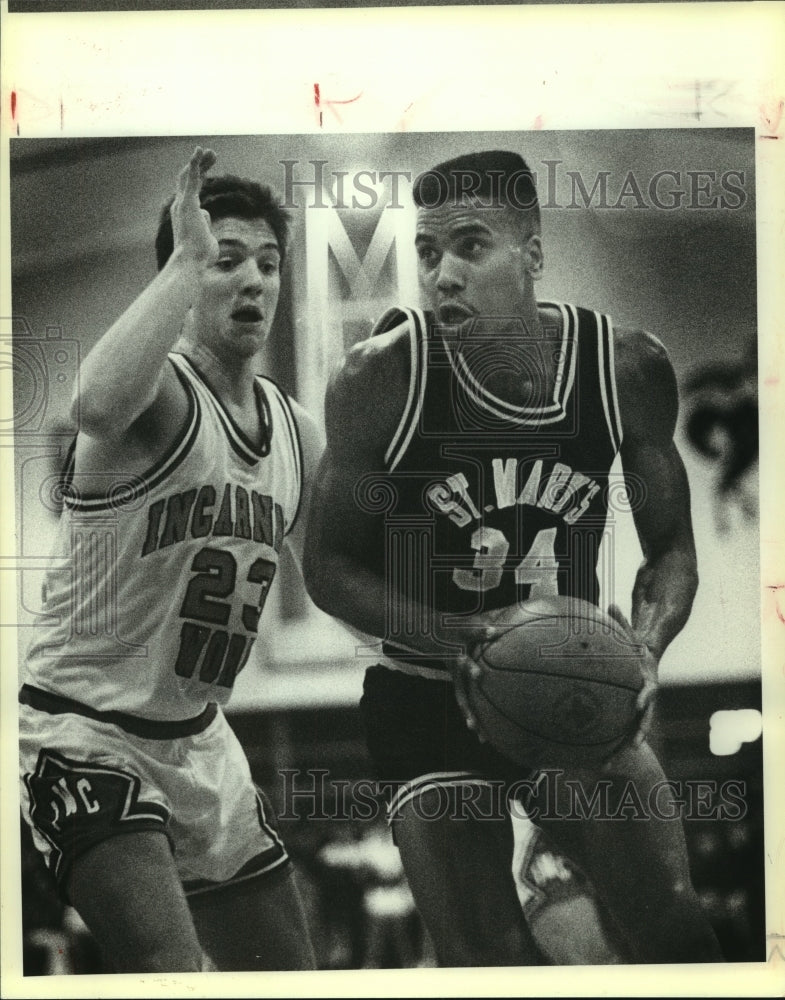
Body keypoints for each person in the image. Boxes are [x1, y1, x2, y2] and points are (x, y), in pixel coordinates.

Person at [303, 150, 723, 966]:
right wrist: (465, 639)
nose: (441, 274)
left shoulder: (625, 368)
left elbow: (669, 549)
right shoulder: (378, 378)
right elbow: (328, 570)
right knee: (490, 960)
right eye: (427, 253)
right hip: (424, 695)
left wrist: (644, 643)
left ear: (531, 251)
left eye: (469, 246)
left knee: (673, 932)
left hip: (570, 684)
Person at [18, 147, 322, 973]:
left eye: (267, 263)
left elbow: (339, 578)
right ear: (182, 281)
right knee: (173, 976)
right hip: (86, 729)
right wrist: (185, 259)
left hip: (201, 739)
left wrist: (468, 624)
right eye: (226, 260)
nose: (253, 280)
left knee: (291, 978)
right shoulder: (158, 394)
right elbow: (91, 403)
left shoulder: (298, 431)